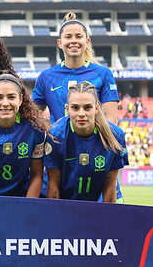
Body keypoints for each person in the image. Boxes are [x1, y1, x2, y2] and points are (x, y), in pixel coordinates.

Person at [31, 12, 122, 200]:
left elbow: (111, 120)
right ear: (59, 43)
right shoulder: (46, 76)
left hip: (95, 155)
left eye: (79, 36)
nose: (74, 41)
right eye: (68, 37)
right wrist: (54, 137)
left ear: (87, 41)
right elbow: (34, 118)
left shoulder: (103, 74)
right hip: (61, 157)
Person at [44, 81, 128, 203]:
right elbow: (54, 185)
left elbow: (110, 185)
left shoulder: (115, 135)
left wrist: (108, 218)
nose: (81, 114)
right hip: (64, 203)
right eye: (75, 108)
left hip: (95, 202)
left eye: (88, 107)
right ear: (67, 109)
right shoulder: (56, 135)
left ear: (96, 108)